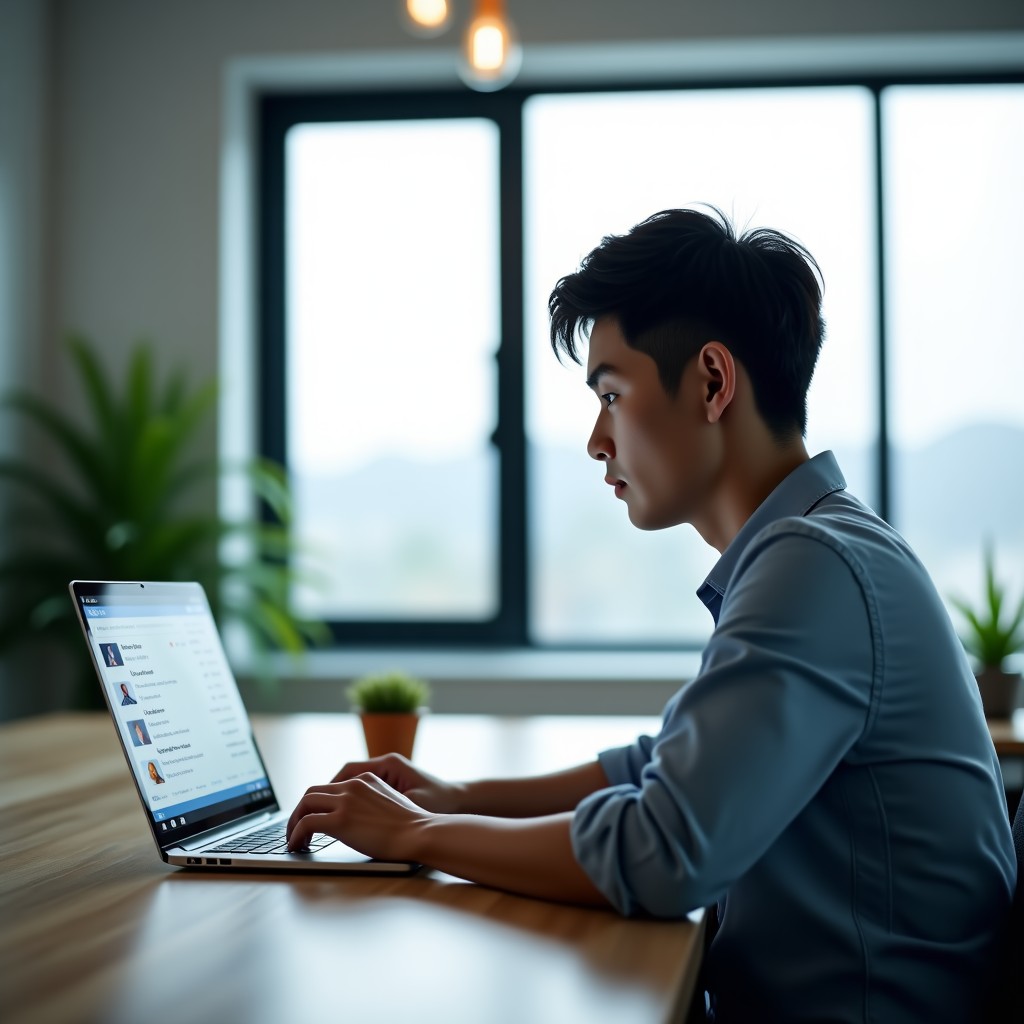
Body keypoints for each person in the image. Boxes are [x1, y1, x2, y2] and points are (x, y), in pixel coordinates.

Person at [287, 207, 1016, 1021]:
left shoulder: (814, 566)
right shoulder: (815, 546)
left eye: (611, 394)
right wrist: (458, 798)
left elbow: (664, 852)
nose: (596, 440)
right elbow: (663, 765)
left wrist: (416, 835)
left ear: (712, 382)